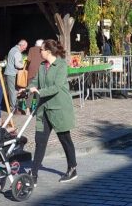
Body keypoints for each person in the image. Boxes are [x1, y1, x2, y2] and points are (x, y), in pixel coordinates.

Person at [27, 39, 77, 185]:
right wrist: (28, 88)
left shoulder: (61, 65)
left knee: (65, 139)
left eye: (41, 50)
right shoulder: (42, 66)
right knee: (40, 142)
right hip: (43, 109)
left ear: (48, 51)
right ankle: (33, 174)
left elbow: (56, 87)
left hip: (59, 109)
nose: (39, 52)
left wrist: (38, 92)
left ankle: (72, 168)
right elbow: (35, 81)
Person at [4, 40, 28, 114]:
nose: (25, 49)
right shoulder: (17, 52)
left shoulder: (12, 49)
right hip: (12, 73)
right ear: (22, 46)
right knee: (13, 91)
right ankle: (13, 109)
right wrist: (24, 65)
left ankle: (13, 107)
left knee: (12, 90)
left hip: (9, 73)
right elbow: (17, 64)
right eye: (25, 47)